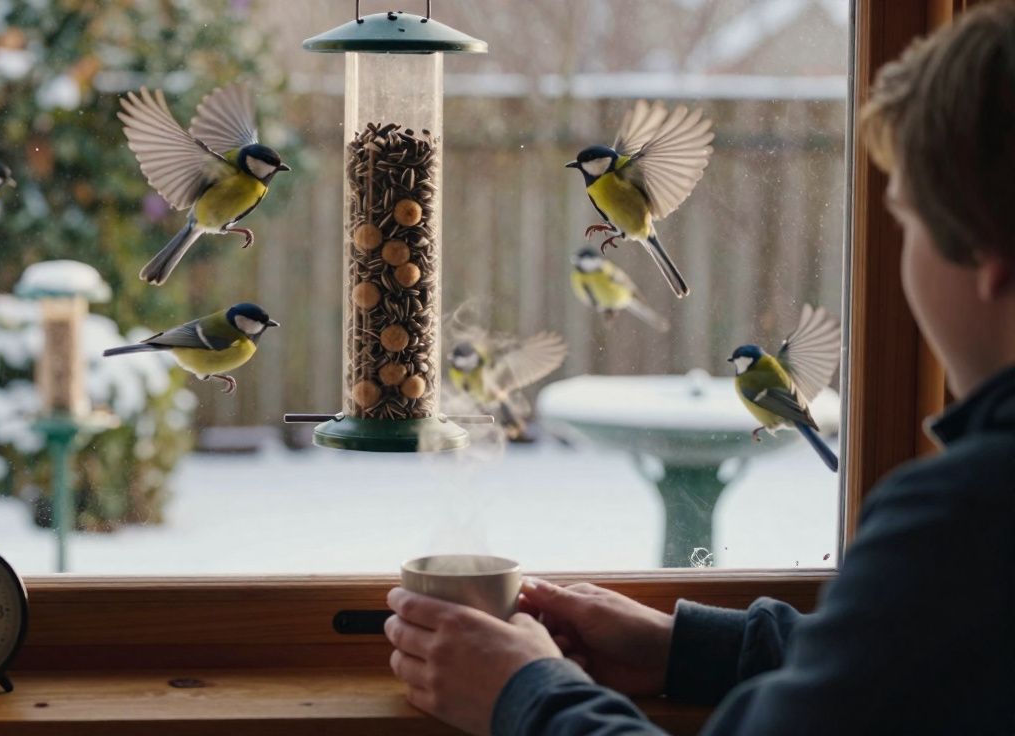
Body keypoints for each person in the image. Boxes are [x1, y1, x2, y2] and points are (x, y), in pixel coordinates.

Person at [384, 4, 1015, 734]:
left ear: (991, 261)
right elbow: (912, 667)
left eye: (904, 219)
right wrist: (693, 650)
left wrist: (524, 694)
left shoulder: (967, 521)